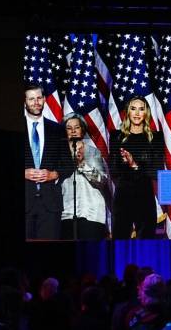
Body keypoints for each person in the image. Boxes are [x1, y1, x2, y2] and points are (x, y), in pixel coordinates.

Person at [109, 96, 163, 239]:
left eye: (141, 109)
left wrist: (133, 165)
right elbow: (114, 170)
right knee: (120, 242)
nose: (137, 113)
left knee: (146, 243)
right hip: (123, 197)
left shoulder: (155, 138)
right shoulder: (116, 137)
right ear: (128, 112)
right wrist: (134, 166)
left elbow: (155, 171)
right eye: (133, 109)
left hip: (145, 197)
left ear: (146, 113)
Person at [24, 86, 74, 240]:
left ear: (44, 99)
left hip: (50, 204)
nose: (36, 102)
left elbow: (68, 164)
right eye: (31, 99)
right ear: (25, 101)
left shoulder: (57, 129)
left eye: (39, 98)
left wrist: (54, 174)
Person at [61, 114, 109, 240]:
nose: (73, 131)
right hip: (66, 213)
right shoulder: (59, 153)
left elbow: (102, 181)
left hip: (91, 214)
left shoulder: (93, 152)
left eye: (77, 127)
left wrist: (82, 164)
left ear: (82, 130)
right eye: (69, 128)